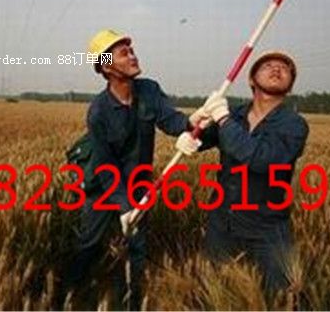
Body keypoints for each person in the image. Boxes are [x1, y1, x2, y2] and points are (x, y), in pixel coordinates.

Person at [56, 29, 206, 310]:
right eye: (124, 53)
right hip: (103, 187)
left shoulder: (149, 89)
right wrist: (124, 207)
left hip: (139, 184)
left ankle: (133, 302)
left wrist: (191, 123)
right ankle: (65, 297)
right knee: (89, 245)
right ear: (106, 66)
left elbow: (170, 120)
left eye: (132, 50)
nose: (133, 56)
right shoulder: (98, 111)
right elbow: (105, 165)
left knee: (137, 249)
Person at [175, 50, 309, 297]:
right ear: (251, 79)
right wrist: (192, 130)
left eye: (284, 68)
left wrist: (223, 120)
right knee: (211, 292)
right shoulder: (235, 114)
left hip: (267, 227)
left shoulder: (294, 125)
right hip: (222, 222)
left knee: (279, 297)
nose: (276, 69)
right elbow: (204, 137)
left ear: (290, 86)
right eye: (268, 65)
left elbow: (260, 158)